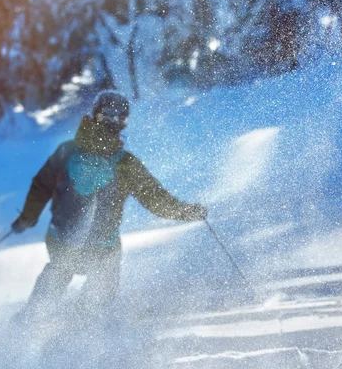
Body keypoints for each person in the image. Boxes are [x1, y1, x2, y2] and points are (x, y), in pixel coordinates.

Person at [11, 90, 207, 324]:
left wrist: (27, 218)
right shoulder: (125, 163)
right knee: (106, 267)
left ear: (94, 116)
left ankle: (31, 317)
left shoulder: (67, 151)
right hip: (102, 247)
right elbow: (156, 199)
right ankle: (87, 321)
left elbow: (41, 186)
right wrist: (188, 212)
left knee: (60, 268)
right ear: (122, 124)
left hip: (61, 241)